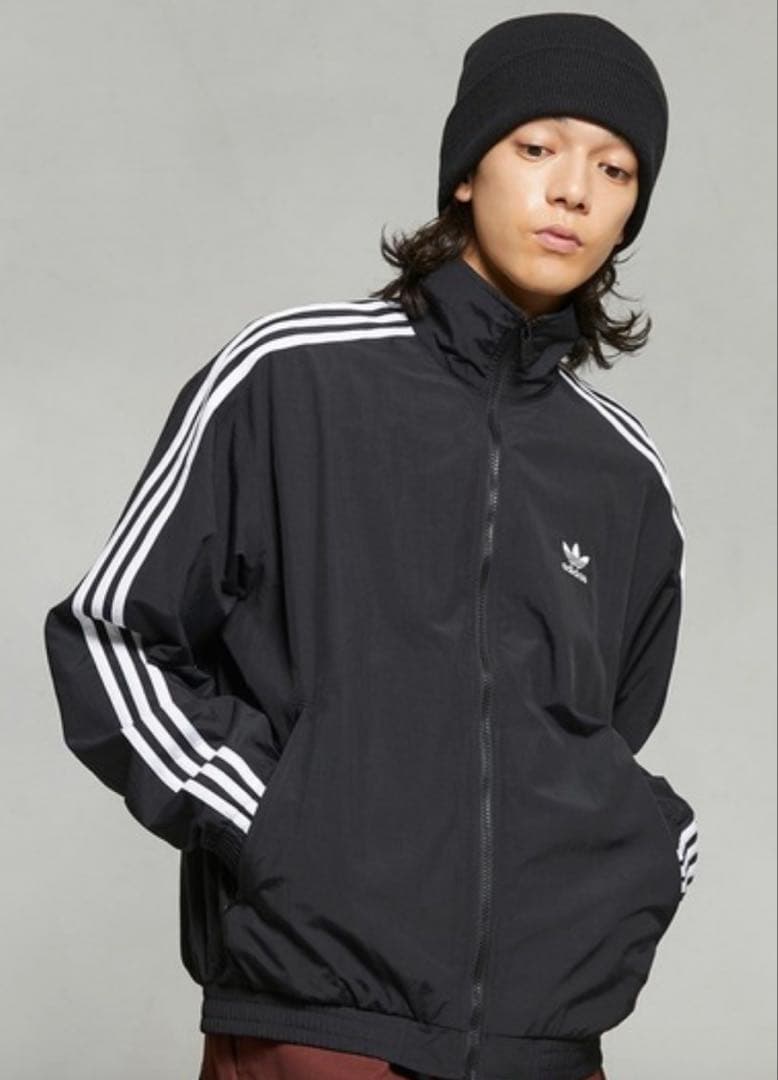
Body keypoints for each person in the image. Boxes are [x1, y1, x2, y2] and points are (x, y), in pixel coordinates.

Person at [43, 12, 699, 1080]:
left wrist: (638, 860)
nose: (574, 191)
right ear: (465, 173)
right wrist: (279, 822)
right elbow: (110, 638)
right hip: (317, 1019)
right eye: (537, 146)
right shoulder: (291, 378)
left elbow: (604, 734)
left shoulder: (623, 473)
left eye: (615, 169)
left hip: (546, 1042)